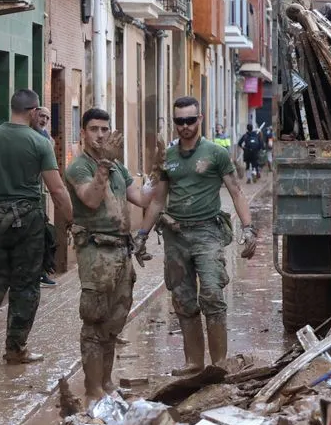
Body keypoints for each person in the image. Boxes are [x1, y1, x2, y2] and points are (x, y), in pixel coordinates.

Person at [137, 96, 259, 375]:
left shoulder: (215, 154)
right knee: (182, 299)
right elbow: (157, 201)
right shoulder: (168, 157)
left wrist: (248, 228)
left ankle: (218, 366)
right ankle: (194, 363)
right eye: (179, 121)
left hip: (208, 233)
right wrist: (142, 234)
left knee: (213, 295)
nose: (185, 126)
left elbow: (236, 192)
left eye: (190, 120)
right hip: (176, 235)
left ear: (200, 120)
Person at [0, 90, 73, 366]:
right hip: (28, 222)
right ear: (34, 111)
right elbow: (57, 189)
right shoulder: (39, 142)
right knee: (25, 286)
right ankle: (15, 348)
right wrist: (74, 220)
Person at [64, 109, 155, 403]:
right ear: (83, 133)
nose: (100, 135)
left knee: (115, 321)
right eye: (94, 129)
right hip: (95, 252)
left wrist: (161, 174)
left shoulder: (118, 167)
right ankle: (92, 390)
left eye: (105, 129)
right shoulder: (80, 167)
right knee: (94, 321)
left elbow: (141, 198)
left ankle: (106, 382)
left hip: (121, 251)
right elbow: (90, 200)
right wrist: (103, 165)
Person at [33, 108, 59, 288]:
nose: (45, 120)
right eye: (42, 116)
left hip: (38, 193)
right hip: (28, 194)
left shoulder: (46, 138)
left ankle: (42, 271)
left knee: (45, 235)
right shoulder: (31, 135)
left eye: (48, 117)